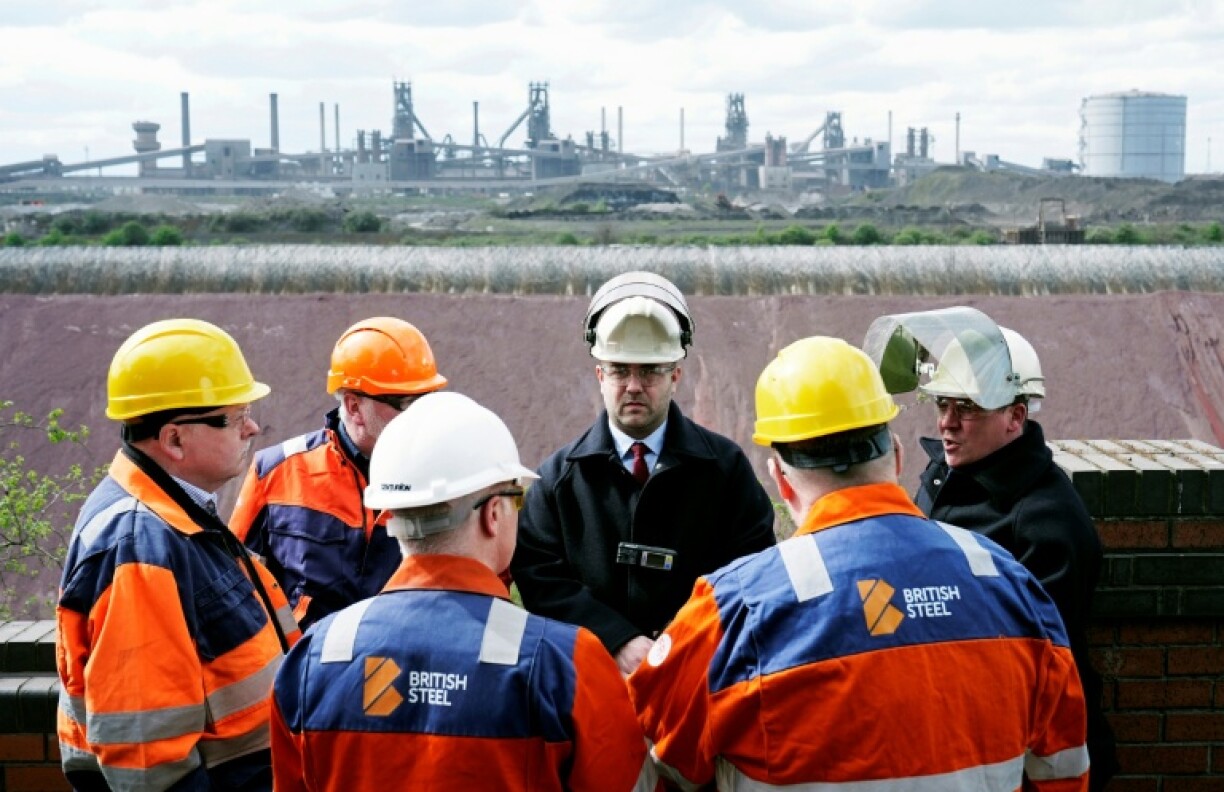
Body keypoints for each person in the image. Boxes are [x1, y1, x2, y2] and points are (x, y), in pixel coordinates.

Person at [628, 335, 1089, 790]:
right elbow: (1063, 770)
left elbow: (651, 756)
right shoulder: (1012, 586)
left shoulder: (734, 611)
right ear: (898, 455)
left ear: (780, 481)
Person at [270, 392, 659, 792]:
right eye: (516, 498)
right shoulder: (564, 664)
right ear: (493, 515)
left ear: (389, 517)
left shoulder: (311, 658)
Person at [866, 306, 1118, 791]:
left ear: (1015, 416)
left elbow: (1035, 660)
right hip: (966, 738)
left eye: (968, 409)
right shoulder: (944, 478)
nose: (947, 423)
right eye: (942, 405)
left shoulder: (1045, 519)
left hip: (1031, 758)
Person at [56, 318, 300, 792]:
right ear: (174, 439)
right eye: (235, 415)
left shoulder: (174, 514)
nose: (251, 427)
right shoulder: (139, 547)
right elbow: (149, 760)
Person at [510, 271, 776, 675]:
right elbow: (541, 578)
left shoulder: (725, 469)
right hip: (593, 684)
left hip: (702, 678)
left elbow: (754, 568)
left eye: (650, 370)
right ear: (600, 376)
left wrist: (681, 639)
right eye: (619, 370)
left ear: (675, 375)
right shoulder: (559, 481)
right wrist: (616, 640)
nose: (634, 386)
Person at [230, 316, 447, 629]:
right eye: (404, 403)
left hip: (406, 669)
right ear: (354, 406)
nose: (419, 416)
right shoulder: (278, 471)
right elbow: (235, 583)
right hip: (309, 669)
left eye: (425, 400)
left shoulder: (447, 474)